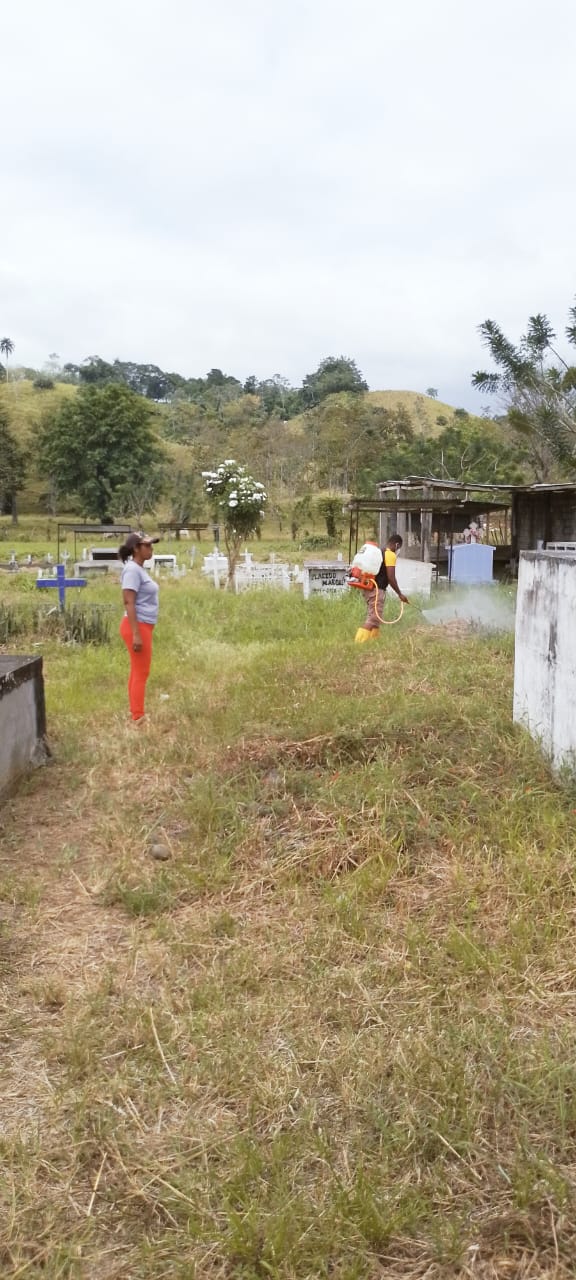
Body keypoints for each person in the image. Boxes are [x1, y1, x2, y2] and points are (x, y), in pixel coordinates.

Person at [118, 532, 160, 721]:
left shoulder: (138, 569)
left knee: (137, 670)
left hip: (143, 625)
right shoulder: (132, 571)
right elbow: (128, 602)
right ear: (136, 548)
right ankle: (138, 716)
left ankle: (135, 711)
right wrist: (136, 634)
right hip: (136, 626)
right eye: (147, 545)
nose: (151, 549)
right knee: (142, 672)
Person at [355, 533, 409, 643]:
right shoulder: (390, 555)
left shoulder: (380, 552)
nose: (398, 550)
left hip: (369, 587)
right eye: (399, 547)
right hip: (377, 589)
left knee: (375, 617)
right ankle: (358, 643)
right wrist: (400, 594)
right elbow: (391, 577)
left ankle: (373, 641)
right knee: (374, 618)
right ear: (397, 545)